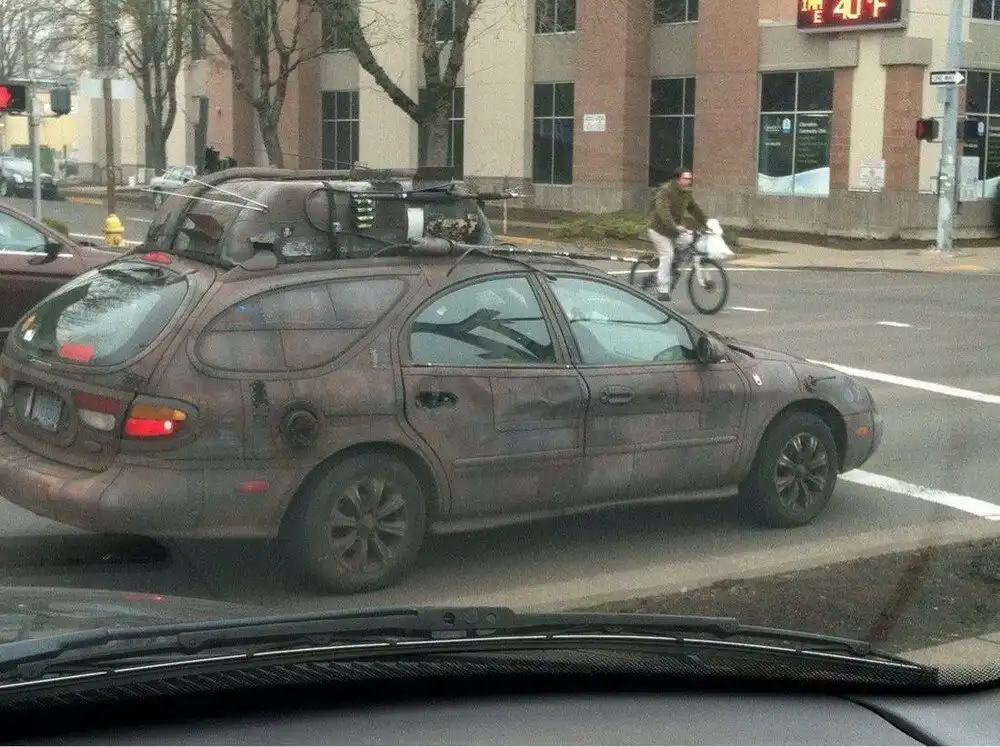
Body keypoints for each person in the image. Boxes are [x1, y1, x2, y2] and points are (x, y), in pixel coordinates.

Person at [647, 167, 709, 301]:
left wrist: (707, 223)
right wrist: (674, 226)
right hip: (659, 231)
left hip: (675, 231)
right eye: (686, 178)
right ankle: (662, 290)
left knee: (690, 241)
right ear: (678, 179)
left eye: (690, 179)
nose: (689, 181)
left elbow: (694, 209)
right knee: (667, 254)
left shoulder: (686, 194)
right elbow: (663, 211)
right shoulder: (665, 191)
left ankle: (674, 266)